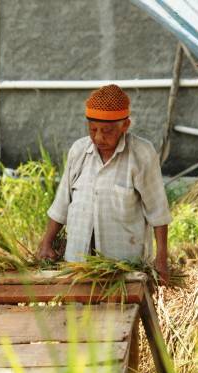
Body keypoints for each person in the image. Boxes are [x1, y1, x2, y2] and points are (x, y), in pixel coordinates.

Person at [37, 84, 172, 282]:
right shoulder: (79, 151)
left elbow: (157, 211)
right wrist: (46, 243)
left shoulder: (141, 154)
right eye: (93, 130)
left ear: (125, 125)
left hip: (123, 268)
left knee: (120, 313)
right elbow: (62, 204)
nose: (98, 137)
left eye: (107, 131)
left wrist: (161, 259)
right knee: (77, 313)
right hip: (77, 265)